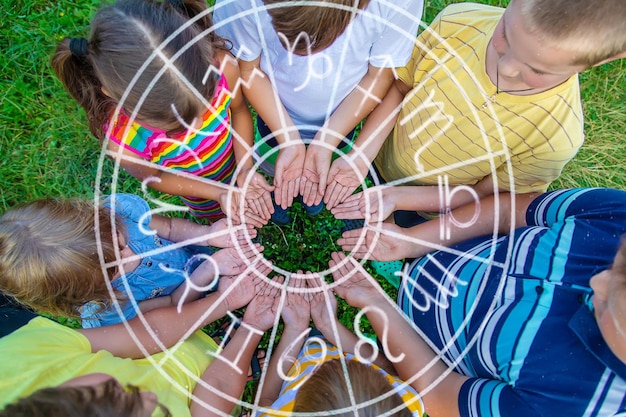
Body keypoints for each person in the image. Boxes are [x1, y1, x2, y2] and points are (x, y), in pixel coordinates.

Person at [328, 0, 626, 265]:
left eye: (536, 68)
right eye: (505, 35)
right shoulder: (458, 22)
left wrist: (398, 198)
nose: (506, 68)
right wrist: (361, 154)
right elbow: (401, 87)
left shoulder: (555, 137)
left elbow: (483, 199)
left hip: (431, 207)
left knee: (387, 234)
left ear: (601, 60)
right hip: (378, 154)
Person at [342, 187, 626, 417]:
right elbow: (506, 212)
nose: (596, 281)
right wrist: (411, 242)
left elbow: (437, 391)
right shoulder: (618, 217)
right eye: (616, 264)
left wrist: (377, 304)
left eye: (609, 304)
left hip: (424, 350)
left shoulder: (568, 403)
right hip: (450, 243)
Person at [51, 0, 274, 226]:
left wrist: (245, 167)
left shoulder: (223, 67)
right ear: (112, 94)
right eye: (176, 127)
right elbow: (156, 179)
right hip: (201, 195)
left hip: (237, 158)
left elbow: (238, 111)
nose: (198, 127)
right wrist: (218, 193)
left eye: (207, 105)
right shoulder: (124, 142)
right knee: (221, 217)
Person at [213, 0, 423, 223]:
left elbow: (380, 75)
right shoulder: (239, 3)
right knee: (276, 162)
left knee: (323, 169)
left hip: (344, 115)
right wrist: (288, 138)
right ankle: (278, 187)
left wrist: (327, 140)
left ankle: (311, 197)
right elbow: (247, 68)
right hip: (273, 110)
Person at [0, 263, 276, 416]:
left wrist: (225, 299)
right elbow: (216, 392)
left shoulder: (15, 352)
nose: (145, 391)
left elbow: (144, 335)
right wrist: (251, 327)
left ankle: (218, 349)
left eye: (112, 389)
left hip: (182, 347)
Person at [0, 193, 263, 327]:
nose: (128, 252)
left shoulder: (117, 211)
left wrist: (207, 235)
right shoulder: (109, 308)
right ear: (87, 291)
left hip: (191, 254)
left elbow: (169, 228)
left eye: (116, 236)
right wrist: (210, 268)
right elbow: (172, 304)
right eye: (114, 266)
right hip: (187, 294)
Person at [251, 266, 424, 416]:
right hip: (342, 344)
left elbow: (265, 399)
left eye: (316, 373)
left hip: (292, 366)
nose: (331, 362)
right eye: (355, 365)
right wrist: (330, 327)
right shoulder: (405, 403)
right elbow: (385, 367)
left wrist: (295, 330)